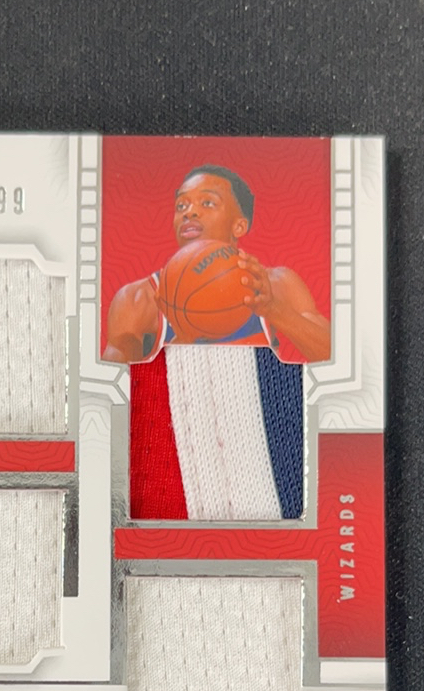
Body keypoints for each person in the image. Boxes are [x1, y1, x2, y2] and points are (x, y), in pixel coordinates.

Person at [103, 165, 330, 520]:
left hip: (267, 460)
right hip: (173, 472)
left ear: (239, 225)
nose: (189, 212)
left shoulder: (276, 284)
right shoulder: (139, 299)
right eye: (181, 205)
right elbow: (106, 405)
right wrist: (184, 335)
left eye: (207, 203)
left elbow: (334, 360)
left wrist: (276, 310)